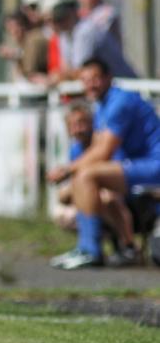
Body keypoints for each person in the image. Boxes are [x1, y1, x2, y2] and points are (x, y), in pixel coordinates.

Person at [47, 58, 160, 269]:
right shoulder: (102, 105)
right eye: (85, 80)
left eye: (95, 79)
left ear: (109, 78)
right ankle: (95, 248)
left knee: (87, 176)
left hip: (154, 165)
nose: (90, 84)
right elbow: (98, 149)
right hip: (140, 166)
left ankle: (95, 250)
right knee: (85, 179)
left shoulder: (121, 101)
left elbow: (103, 150)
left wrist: (67, 170)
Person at [49, 102, 134, 259]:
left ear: (92, 123)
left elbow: (116, 177)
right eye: (72, 125)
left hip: (123, 195)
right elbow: (70, 191)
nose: (77, 129)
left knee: (107, 198)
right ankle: (90, 248)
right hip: (95, 197)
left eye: (82, 123)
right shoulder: (75, 150)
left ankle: (127, 247)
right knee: (62, 210)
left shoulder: (106, 145)